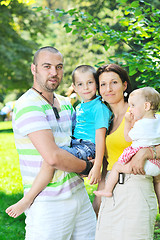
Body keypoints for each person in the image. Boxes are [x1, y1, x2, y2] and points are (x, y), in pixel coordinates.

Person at [5, 46, 96, 240]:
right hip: (48, 203)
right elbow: (53, 157)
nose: (54, 73)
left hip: (79, 194)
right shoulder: (28, 105)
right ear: (34, 68)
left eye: (59, 67)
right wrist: (88, 167)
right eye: (47, 66)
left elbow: (77, 143)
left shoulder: (65, 103)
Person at [6, 64, 112, 218]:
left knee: (52, 159)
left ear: (96, 83)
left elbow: (101, 138)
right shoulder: (81, 106)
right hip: (78, 144)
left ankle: (27, 199)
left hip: (89, 146)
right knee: (54, 157)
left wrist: (96, 166)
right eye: (80, 84)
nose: (86, 88)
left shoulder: (99, 108)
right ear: (74, 87)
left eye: (90, 83)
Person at [92, 63, 160, 240]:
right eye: (103, 84)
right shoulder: (105, 120)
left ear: (124, 85)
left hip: (136, 188)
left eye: (114, 82)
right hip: (112, 190)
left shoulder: (139, 114)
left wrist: (147, 153)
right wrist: (99, 199)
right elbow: (108, 163)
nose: (108, 88)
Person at [94, 87, 160, 197]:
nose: (130, 109)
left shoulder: (141, 125)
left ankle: (107, 190)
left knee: (117, 167)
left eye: (133, 105)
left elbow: (128, 138)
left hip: (143, 164)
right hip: (156, 164)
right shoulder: (157, 120)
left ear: (146, 106)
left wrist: (128, 123)